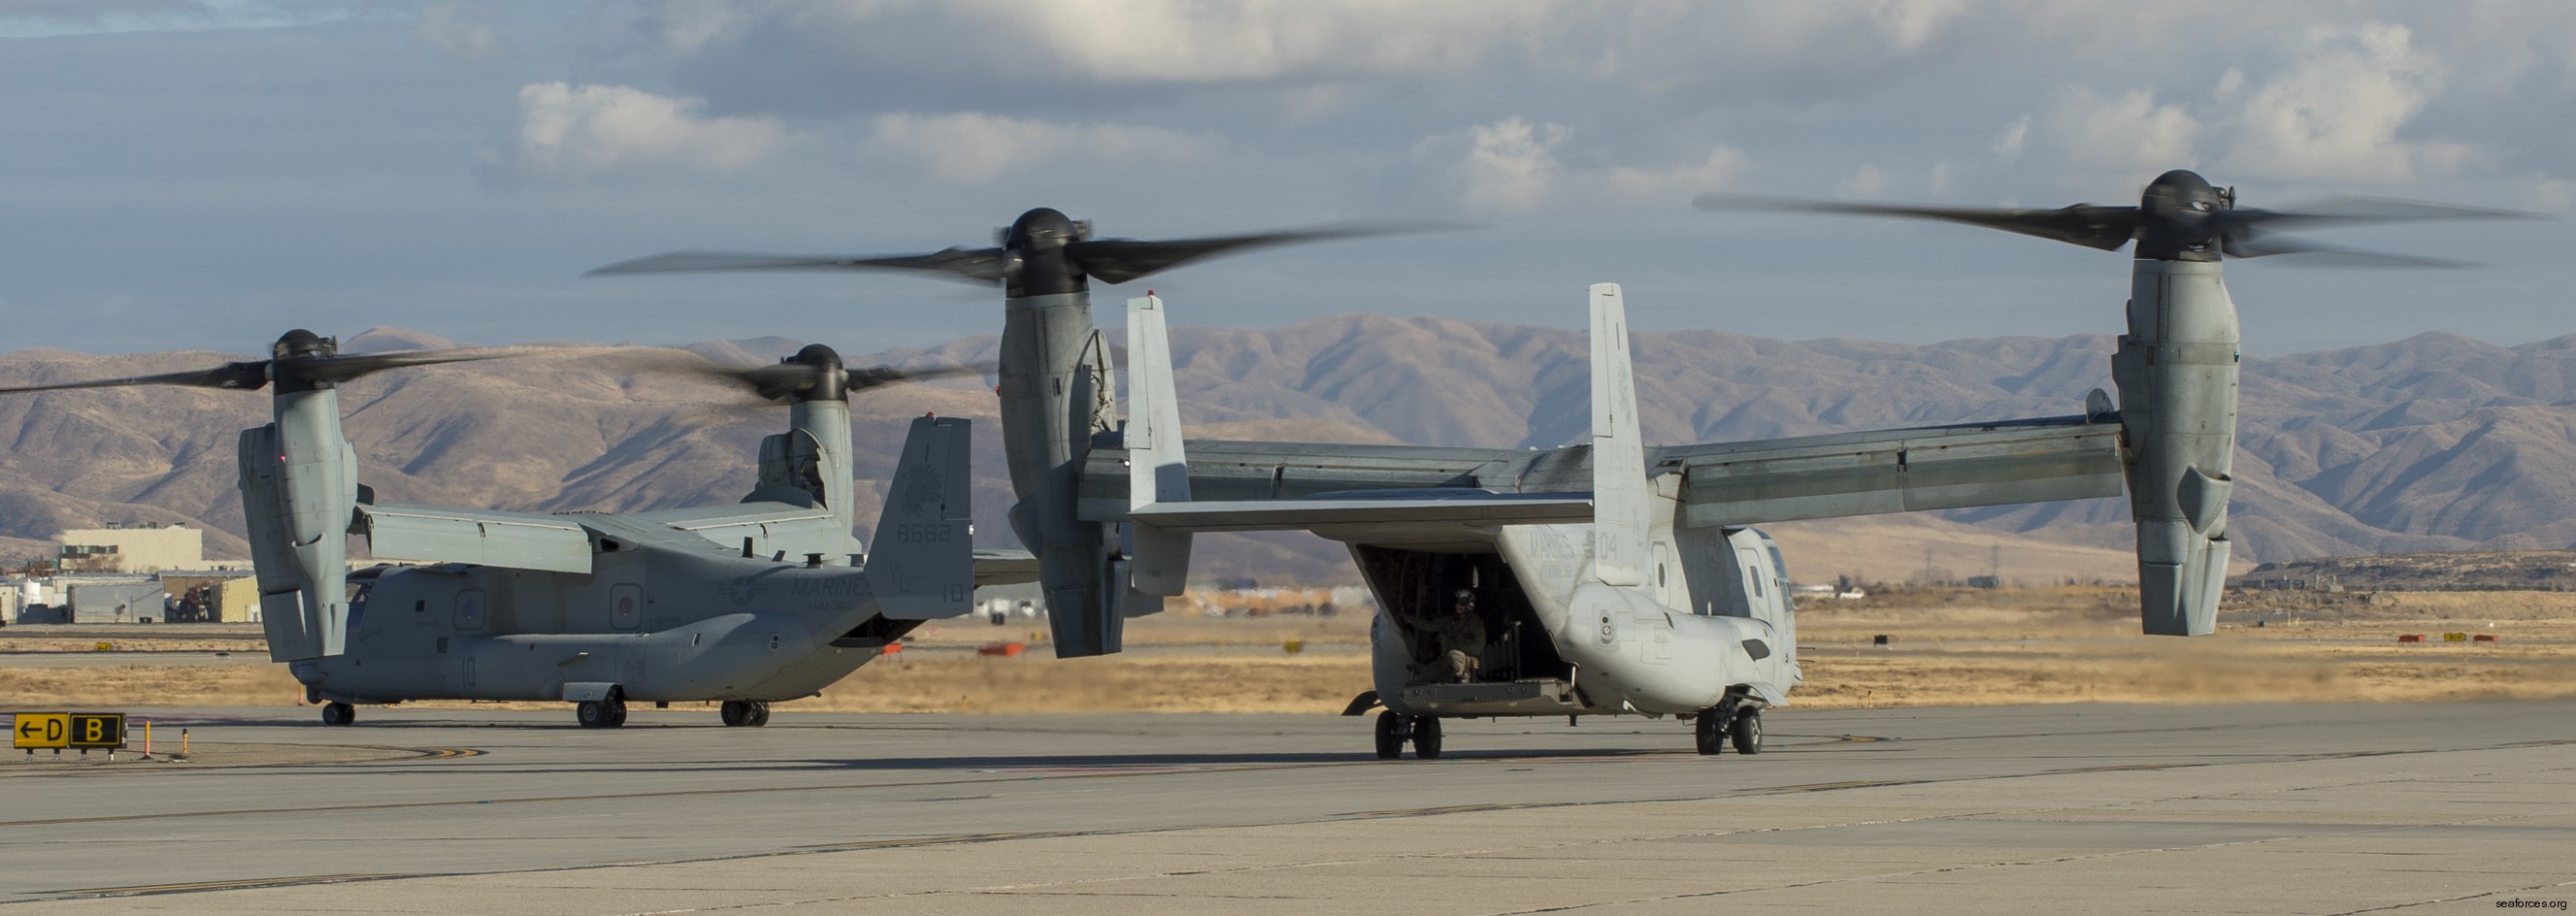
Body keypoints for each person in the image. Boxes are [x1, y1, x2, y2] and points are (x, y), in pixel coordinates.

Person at [1429, 588, 1487, 683]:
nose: (1458, 606)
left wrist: (1458, 648)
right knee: (1428, 674)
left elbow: (1479, 645)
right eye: (1458, 603)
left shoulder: (1474, 622)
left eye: (1462, 603)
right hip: (1449, 658)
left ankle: (1464, 675)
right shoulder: (1454, 620)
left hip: (1465, 657)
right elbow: (1431, 626)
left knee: (1455, 655)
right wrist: (1410, 620)